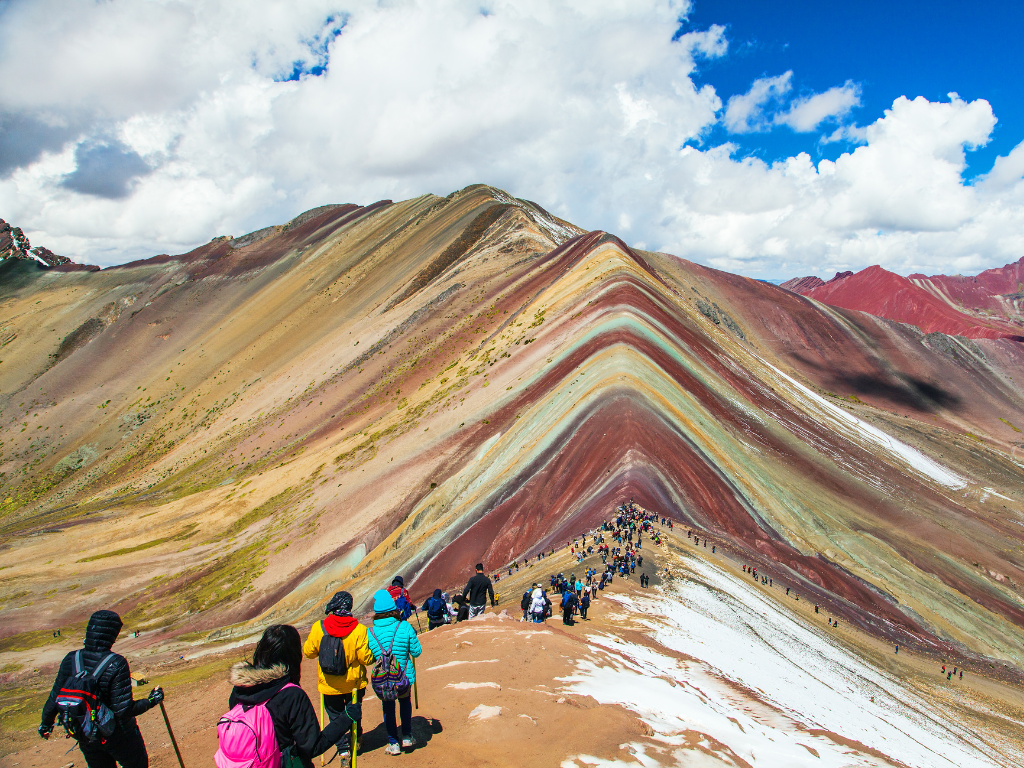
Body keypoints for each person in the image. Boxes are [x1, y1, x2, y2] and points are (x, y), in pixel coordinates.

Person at [39, 610, 163, 768]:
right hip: (120, 735)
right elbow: (123, 711)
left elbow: (54, 698)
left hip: (86, 734)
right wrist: (152, 700)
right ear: (111, 635)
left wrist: (46, 724)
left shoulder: (71, 659)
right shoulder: (116, 663)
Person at [224, 625, 349, 767]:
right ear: (294, 656)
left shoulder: (240, 689)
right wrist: (347, 718)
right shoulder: (292, 695)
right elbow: (313, 746)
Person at [302, 591, 374, 759]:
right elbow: (365, 658)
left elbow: (309, 652)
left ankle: (342, 749)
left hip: (329, 683)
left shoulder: (319, 627)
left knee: (335, 715)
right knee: (353, 710)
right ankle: (357, 737)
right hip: (353, 683)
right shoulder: (359, 630)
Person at [367, 590, 422, 755]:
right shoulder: (404, 627)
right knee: (405, 703)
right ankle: (406, 736)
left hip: (384, 681)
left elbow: (369, 659)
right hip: (403, 677)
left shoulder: (370, 633)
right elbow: (416, 651)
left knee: (388, 707)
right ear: (393, 608)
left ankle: (393, 743)